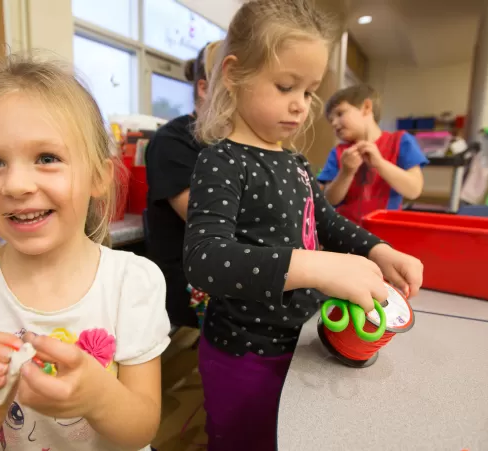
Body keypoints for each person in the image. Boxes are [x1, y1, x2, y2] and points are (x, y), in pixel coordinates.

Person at [0, 54, 170, 451]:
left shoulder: (132, 283)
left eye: (46, 158)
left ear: (98, 176)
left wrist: (98, 397)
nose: (17, 184)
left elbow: (141, 429)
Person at [182, 1, 424, 450]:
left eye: (309, 91)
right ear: (234, 74)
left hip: (301, 341)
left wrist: (379, 250)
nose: (301, 106)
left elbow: (327, 221)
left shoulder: (292, 161)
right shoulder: (223, 160)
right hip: (245, 355)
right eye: (286, 86)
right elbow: (205, 260)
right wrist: (318, 268)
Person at [145, 40, 221, 329]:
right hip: (189, 284)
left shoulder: (229, 145)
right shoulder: (172, 141)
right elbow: (206, 219)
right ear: (203, 88)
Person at [317, 84, 429, 224]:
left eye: (340, 114)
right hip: (344, 231)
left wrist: (380, 163)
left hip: (385, 230)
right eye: (331, 120)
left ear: (366, 108)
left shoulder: (400, 141)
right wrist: (346, 172)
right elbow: (329, 200)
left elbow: (414, 190)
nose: (334, 123)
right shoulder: (339, 152)